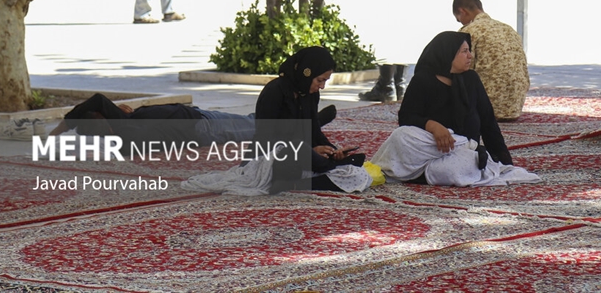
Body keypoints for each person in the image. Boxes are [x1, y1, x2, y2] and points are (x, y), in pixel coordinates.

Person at [371, 32, 539, 187]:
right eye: (464, 51)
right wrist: (432, 126)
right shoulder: (423, 80)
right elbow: (407, 118)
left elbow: (488, 123)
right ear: (448, 54)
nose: (470, 56)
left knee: (454, 169)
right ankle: (418, 171)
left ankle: (419, 174)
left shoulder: (471, 79)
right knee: (400, 135)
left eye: (469, 51)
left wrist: (505, 162)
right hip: (429, 145)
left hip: (460, 149)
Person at [255, 47, 369, 193]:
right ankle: (322, 167)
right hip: (275, 159)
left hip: (303, 161)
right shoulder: (275, 92)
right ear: (306, 73)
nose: (322, 86)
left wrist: (333, 151)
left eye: (325, 81)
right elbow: (265, 138)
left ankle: (296, 184)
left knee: (358, 174)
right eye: (320, 80)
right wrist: (309, 152)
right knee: (298, 148)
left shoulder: (310, 94)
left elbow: (315, 131)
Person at [48, 93, 257, 146]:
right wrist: (57, 132)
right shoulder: (124, 132)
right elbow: (97, 100)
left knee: (251, 121)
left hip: (196, 117)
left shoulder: (124, 125)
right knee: (255, 126)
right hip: (201, 127)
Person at [453, 0, 530, 121]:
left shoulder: (469, 31)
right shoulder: (509, 29)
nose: (460, 23)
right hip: (515, 107)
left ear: (463, 11)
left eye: (458, 19)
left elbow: (460, 69)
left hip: (486, 108)